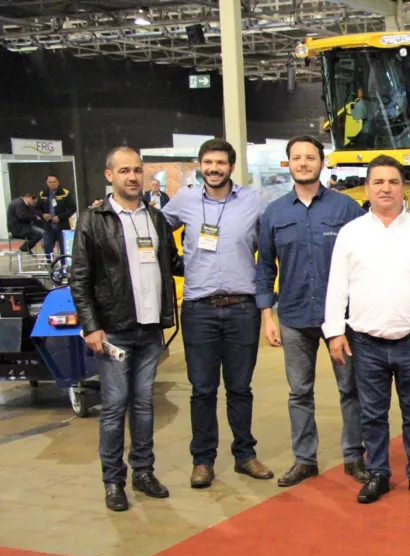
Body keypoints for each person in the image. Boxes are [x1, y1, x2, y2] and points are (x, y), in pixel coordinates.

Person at [324, 155, 410, 504]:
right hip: (365, 342)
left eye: (393, 182)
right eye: (378, 182)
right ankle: (378, 473)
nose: (386, 188)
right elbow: (337, 287)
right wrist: (334, 332)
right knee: (372, 415)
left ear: (403, 187)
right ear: (367, 188)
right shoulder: (351, 233)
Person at [69, 146, 184, 511]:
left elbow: (172, 262)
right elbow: (79, 279)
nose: (132, 177)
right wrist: (91, 326)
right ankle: (113, 482)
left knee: (144, 405)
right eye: (124, 171)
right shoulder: (92, 220)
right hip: (114, 330)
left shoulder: (155, 218)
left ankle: (144, 473)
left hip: (150, 329)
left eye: (137, 170)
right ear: (109, 176)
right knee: (115, 406)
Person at [257, 135, 369, 488]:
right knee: (299, 392)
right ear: (288, 164)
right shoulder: (274, 213)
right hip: (293, 316)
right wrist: (267, 316)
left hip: (341, 320)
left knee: (351, 389)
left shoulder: (346, 209)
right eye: (297, 158)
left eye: (310, 157)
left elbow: (369, 254)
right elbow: (265, 268)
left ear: (322, 162)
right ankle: (304, 459)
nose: (303, 163)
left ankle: (354, 456)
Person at [162, 138, 274, 489]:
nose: (214, 169)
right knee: (202, 389)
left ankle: (245, 455)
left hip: (242, 309)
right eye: (208, 163)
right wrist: (175, 264)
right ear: (200, 165)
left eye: (221, 163)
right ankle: (203, 460)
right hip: (199, 310)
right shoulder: (184, 201)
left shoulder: (254, 202)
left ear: (231, 166)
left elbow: (272, 243)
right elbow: (152, 229)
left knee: (240, 388)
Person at [34, 174, 76, 255]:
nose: (52, 184)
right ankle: (50, 262)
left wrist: (60, 217)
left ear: (58, 182)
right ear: (47, 183)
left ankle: (65, 262)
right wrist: (42, 215)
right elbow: (36, 209)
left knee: (65, 249)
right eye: (50, 182)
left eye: (54, 182)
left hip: (63, 226)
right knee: (47, 247)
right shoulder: (42, 194)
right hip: (48, 226)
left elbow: (72, 208)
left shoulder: (65, 193)